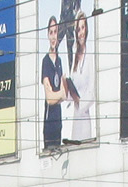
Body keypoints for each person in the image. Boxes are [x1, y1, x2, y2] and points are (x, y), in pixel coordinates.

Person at [63, 13, 95, 144]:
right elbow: (71, 93)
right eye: (78, 29)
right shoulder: (75, 58)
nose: (81, 32)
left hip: (85, 114)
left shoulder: (91, 56)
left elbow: (92, 92)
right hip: (75, 116)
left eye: (83, 28)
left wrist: (79, 100)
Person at [41, 16, 65, 150]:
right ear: (47, 35)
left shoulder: (59, 61)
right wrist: (60, 94)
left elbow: (64, 94)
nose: (53, 36)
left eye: (55, 32)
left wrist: (61, 94)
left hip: (58, 120)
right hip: (49, 120)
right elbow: (49, 98)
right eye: (51, 32)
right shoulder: (45, 62)